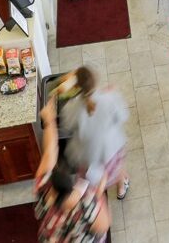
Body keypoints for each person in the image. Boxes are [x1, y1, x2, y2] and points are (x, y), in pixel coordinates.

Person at [33, 97, 111, 242]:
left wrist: (49, 120)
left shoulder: (44, 186)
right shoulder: (87, 203)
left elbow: (50, 151)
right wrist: (99, 194)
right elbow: (103, 226)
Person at [55, 66, 132, 200]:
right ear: (95, 81)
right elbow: (123, 116)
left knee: (91, 182)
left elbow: (66, 127)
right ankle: (121, 185)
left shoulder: (71, 107)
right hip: (110, 150)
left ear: (77, 87)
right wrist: (108, 94)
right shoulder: (109, 98)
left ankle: (94, 199)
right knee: (117, 168)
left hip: (88, 156)